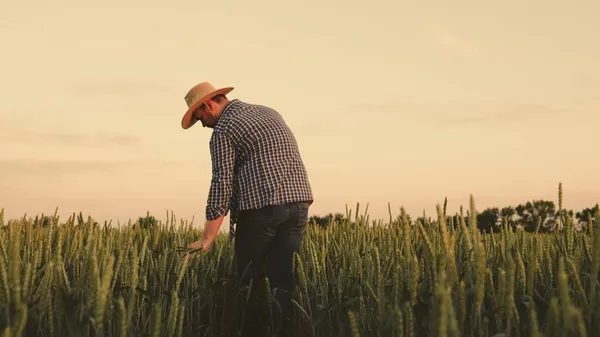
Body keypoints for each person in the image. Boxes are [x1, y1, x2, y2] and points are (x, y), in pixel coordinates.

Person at [180, 81, 313, 336]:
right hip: (299, 204)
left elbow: (222, 182)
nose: (203, 125)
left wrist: (206, 239)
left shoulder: (224, 131)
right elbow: (291, 154)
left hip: (261, 210)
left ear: (209, 105)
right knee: (282, 283)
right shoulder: (268, 112)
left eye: (200, 117)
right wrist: (299, 203)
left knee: (249, 284)